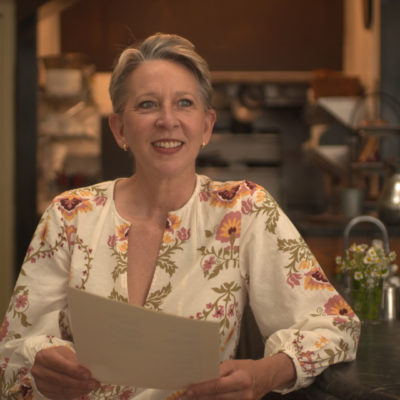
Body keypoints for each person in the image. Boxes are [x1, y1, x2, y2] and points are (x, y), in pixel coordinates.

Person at [0, 33, 360, 400]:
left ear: (206, 125)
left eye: (184, 103)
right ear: (119, 129)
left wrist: (266, 373)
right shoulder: (69, 216)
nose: (167, 120)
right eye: (147, 105)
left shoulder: (245, 208)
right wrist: (40, 371)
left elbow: (335, 326)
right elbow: (12, 355)